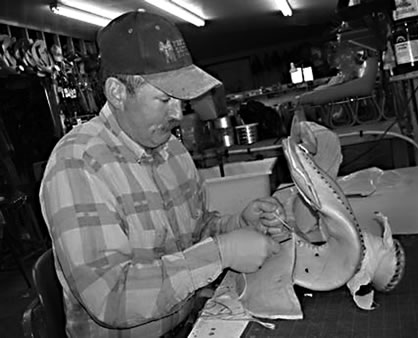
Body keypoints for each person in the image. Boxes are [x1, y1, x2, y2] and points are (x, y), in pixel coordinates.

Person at [39, 11, 287, 337]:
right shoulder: (77, 164)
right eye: (164, 99)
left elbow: (195, 233)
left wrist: (237, 224)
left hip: (188, 323)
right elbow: (111, 297)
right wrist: (222, 251)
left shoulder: (173, 152)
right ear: (117, 93)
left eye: (180, 100)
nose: (177, 113)